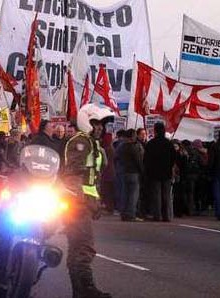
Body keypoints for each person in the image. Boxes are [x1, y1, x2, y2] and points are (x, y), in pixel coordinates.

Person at [62, 103, 114, 298]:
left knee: (77, 246)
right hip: (76, 203)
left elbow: (94, 177)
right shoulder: (80, 142)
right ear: (86, 121)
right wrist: (81, 199)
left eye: (102, 124)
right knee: (84, 246)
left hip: (85, 202)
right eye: (96, 123)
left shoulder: (94, 144)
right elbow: (73, 174)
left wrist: (96, 201)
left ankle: (80, 291)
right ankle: (86, 290)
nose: (100, 127)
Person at [144, 122, 177, 222]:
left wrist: (148, 171)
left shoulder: (151, 144)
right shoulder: (169, 144)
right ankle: (166, 215)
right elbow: (173, 158)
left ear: (155, 131)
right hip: (166, 173)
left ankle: (157, 215)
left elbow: (146, 159)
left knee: (157, 195)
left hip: (154, 173)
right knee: (166, 195)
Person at [120, 129, 144, 222]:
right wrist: (142, 171)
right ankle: (131, 214)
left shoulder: (122, 147)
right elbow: (138, 161)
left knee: (125, 194)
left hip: (125, 172)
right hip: (133, 173)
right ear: (132, 136)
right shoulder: (134, 148)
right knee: (133, 195)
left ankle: (124, 213)